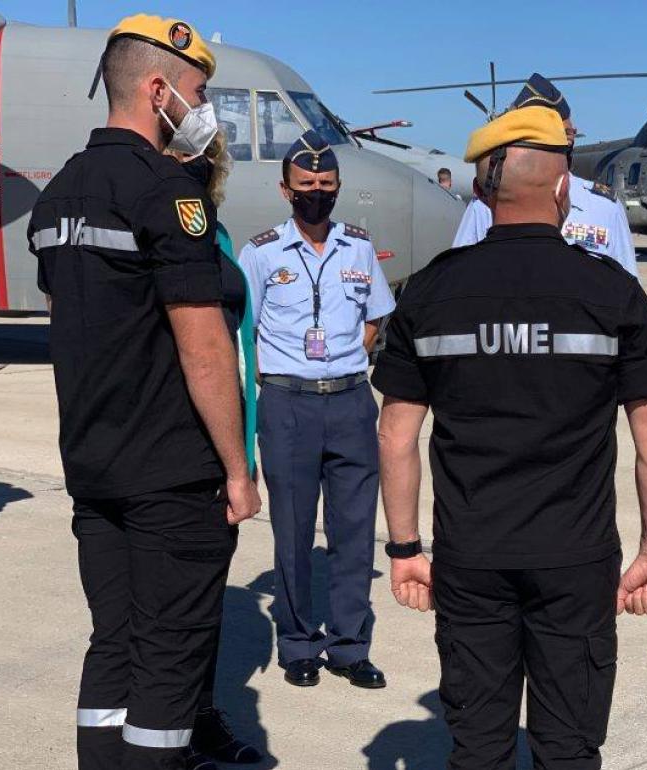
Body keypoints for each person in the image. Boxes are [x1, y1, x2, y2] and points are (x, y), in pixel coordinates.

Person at [374, 105, 647, 769]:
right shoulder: (611, 293)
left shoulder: (429, 293)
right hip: (575, 559)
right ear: (564, 187)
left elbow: (396, 433)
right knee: (567, 748)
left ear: (482, 189)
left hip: (471, 556)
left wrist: (403, 548)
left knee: (479, 748)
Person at [27, 14, 260, 769]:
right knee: (168, 659)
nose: (201, 109)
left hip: (95, 466)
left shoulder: (60, 191)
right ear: (157, 89)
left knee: (115, 646)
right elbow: (203, 347)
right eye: (197, 91)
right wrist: (235, 467)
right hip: (170, 471)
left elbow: (71, 323)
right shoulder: (167, 192)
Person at [239, 129, 395, 690]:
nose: (317, 193)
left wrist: (347, 359)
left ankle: (350, 646)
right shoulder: (259, 254)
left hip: (352, 402)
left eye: (326, 184)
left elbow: (375, 317)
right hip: (287, 405)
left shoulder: (358, 248)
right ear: (286, 190)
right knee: (294, 531)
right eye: (306, 185)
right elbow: (244, 334)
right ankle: (299, 642)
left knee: (354, 531)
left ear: (338, 187)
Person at [165, 133, 264, 770]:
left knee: (204, 604)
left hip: (226, 442)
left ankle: (196, 717)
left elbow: (242, 349)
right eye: (183, 158)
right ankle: (170, 729)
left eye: (205, 160)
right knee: (173, 607)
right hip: (179, 447)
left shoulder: (215, 236)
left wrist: (243, 454)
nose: (198, 168)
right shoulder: (167, 234)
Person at [451, 74, 639, 278]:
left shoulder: (605, 208)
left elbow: (627, 280)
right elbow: (462, 274)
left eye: (565, 134)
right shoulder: (483, 207)